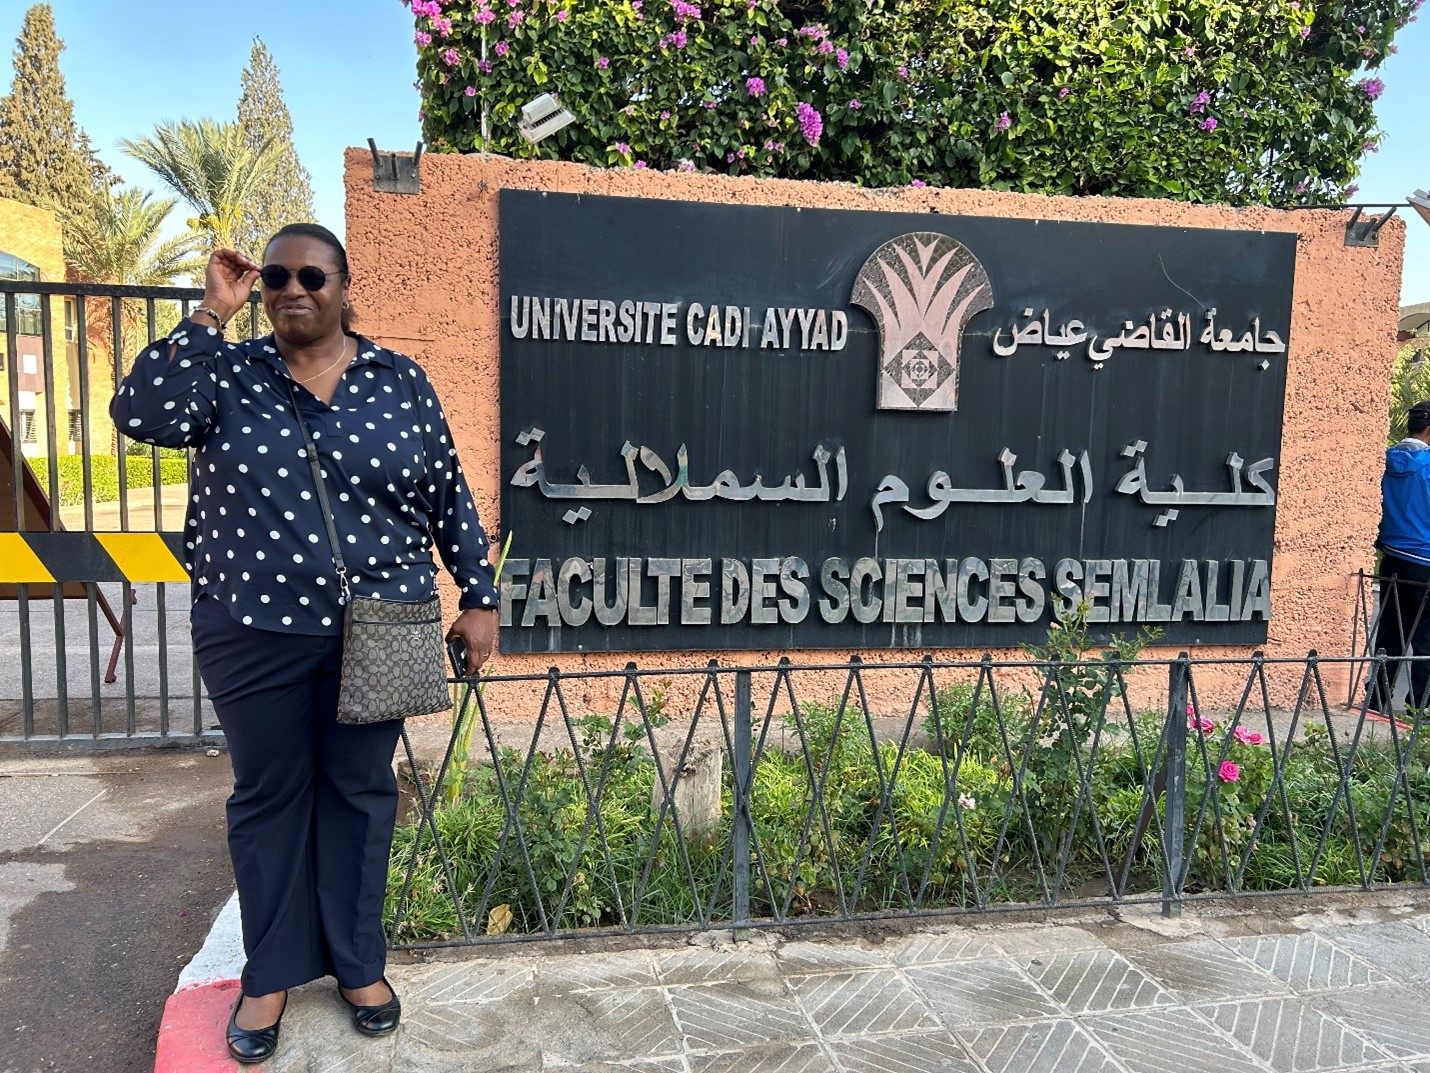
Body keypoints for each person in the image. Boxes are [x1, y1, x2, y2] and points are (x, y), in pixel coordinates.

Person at [110, 223, 499, 1064]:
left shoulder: (401, 382)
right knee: (269, 796)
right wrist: (211, 313)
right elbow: (142, 412)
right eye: (277, 275)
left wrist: (479, 594)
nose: (294, 288)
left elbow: (446, 492)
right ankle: (271, 972)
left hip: (381, 628)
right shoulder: (229, 375)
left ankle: (358, 965)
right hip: (253, 629)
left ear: (344, 284)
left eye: (312, 275)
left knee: (361, 793)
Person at [1365, 400, 1430, 717]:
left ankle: (1376, 698)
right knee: (1426, 637)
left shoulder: (1385, 459)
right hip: (1425, 562)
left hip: (1391, 558)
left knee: (1390, 630)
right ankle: (1421, 708)